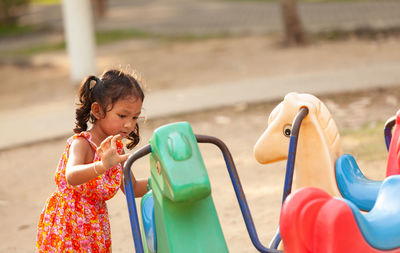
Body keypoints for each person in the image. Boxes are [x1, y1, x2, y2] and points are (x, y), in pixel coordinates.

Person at [36, 69, 149, 252]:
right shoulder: (82, 143)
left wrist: (161, 180)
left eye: (135, 117)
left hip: (95, 226)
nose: (129, 124)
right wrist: (102, 165)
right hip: (68, 225)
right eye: (122, 116)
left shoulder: (115, 150)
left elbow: (133, 187)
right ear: (97, 111)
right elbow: (71, 176)